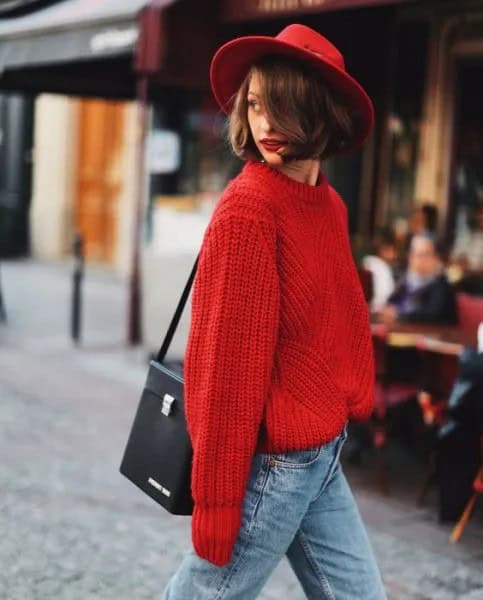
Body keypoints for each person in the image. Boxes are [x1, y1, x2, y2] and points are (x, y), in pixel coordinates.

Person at [162, 24, 386, 599]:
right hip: (273, 467)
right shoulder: (249, 211)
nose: (264, 124)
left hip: (322, 453)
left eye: (281, 105)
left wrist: (351, 395)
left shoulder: (327, 204)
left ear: (320, 113)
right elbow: (222, 371)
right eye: (255, 104)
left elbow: (341, 319)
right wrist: (216, 499)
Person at [378, 234, 457, 325]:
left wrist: (398, 316)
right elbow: (390, 303)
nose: (416, 259)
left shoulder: (441, 286)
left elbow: (432, 317)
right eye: (414, 254)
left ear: (436, 258)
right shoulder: (406, 281)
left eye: (423, 255)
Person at [362, 228, 397, 312]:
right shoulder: (380, 266)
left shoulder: (367, 262)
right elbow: (384, 296)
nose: (393, 255)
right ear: (382, 249)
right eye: (390, 250)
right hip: (376, 312)